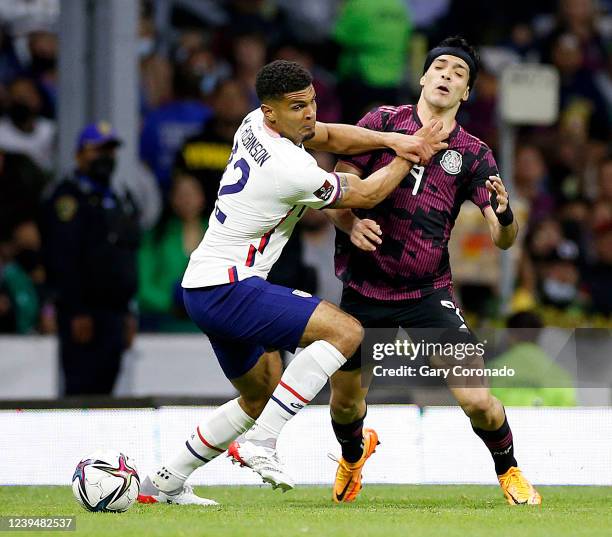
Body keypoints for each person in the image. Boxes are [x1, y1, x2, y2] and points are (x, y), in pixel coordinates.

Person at [137, 59, 447, 506]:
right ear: (270, 111)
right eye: (298, 106)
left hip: (204, 286)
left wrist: (391, 138)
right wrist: (412, 151)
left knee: (260, 395)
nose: (309, 113)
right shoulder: (288, 167)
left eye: (312, 102)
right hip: (230, 287)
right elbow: (368, 193)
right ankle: (262, 444)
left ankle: (164, 481)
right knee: (347, 332)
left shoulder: (254, 125)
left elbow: (330, 134)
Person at [324, 37, 542, 505]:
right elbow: (336, 187)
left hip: (427, 292)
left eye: (458, 73)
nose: (447, 75)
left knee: (478, 401)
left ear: (466, 93)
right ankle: (351, 455)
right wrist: (349, 220)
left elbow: (504, 239)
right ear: (423, 78)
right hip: (364, 288)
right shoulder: (382, 123)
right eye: (439, 67)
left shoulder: (474, 152)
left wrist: (504, 216)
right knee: (344, 403)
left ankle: (510, 471)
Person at [41, 122, 140, 396]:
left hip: (115, 315)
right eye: (97, 150)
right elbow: (63, 258)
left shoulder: (119, 198)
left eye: (110, 150)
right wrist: (76, 311)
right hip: (84, 315)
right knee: (80, 390)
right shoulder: (68, 199)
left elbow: (127, 257)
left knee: (108, 392)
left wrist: (129, 312)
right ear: (79, 155)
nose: (106, 157)